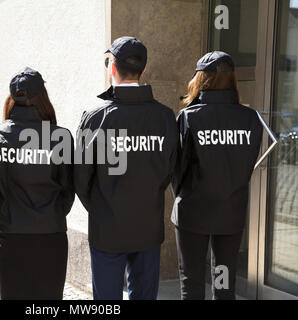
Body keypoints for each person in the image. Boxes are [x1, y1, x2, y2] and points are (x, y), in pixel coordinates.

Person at [74, 37, 179, 300]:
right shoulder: (165, 117)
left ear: (112, 68)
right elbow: (167, 171)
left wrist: (104, 205)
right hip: (147, 225)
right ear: (143, 70)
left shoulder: (95, 117)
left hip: (107, 228)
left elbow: (81, 178)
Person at [171, 51, 263, 300]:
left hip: (193, 210)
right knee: (224, 282)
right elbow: (247, 163)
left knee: (191, 283)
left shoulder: (190, 117)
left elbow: (177, 170)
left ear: (201, 79)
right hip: (230, 211)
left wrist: (181, 196)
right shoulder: (251, 118)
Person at [0, 67, 75, 300]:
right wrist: (51, 213)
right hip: (50, 234)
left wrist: (7, 208)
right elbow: (68, 190)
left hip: (11, 233)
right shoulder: (60, 137)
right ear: (43, 98)